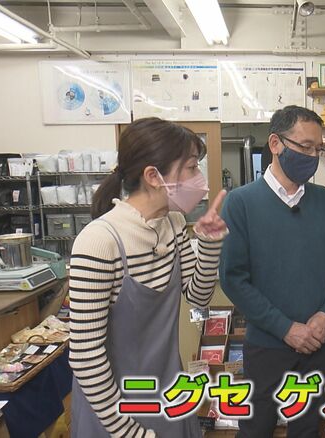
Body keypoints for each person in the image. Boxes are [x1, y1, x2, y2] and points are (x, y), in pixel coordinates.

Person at [69, 117, 228, 437]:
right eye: (192, 168)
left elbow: (198, 297)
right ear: (153, 176)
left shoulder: (174, 225)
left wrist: (210, 244)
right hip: (112, 411)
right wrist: (130, 432)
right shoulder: (99, 241)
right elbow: (86, 357)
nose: (200, 179)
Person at [220, 106, 325, 437]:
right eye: (305, 147)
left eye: (318, 149)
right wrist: (285, 328)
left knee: (308, 429)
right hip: (266, 346)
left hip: (317, 344)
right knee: (256, 428)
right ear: (275, 144)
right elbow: (233, 279)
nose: (313, 157)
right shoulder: (241, 203)